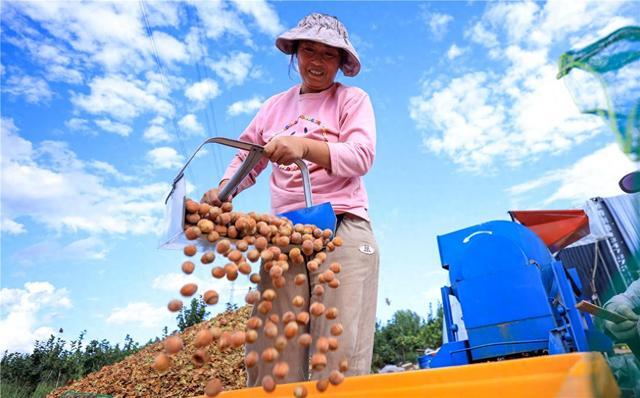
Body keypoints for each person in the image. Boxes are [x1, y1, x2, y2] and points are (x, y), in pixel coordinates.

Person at [202, 13, 379, 385]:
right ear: (295, 54)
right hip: (285, 237)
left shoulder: (351, 100)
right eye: (308, 50)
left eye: (328, 55)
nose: (317, 62)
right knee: (274, 354)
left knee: (339, 356)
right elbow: (246, 157)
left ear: (341, 63)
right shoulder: (273, 108)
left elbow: (361, 156)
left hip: (343, 229)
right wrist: (223, 191)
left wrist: (304, 145)